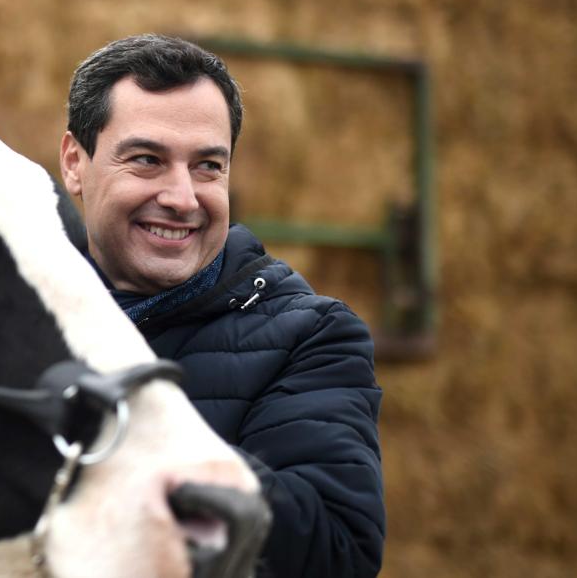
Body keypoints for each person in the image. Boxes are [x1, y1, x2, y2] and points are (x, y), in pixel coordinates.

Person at [59, 34, 385, 577]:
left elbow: (335, 552)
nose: (183, 197)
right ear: (75, 162)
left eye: (208, 166)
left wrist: (131, 430)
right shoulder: (3, 313)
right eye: (147, 159)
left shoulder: (309, 336)